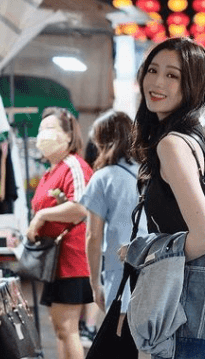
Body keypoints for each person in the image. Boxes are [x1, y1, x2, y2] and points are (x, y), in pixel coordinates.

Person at [131, 37, 205, 358]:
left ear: (193, 86)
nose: (157, 82)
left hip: (191, 307)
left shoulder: (172, 144)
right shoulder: (192, 136)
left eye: (173, 75)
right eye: (152, 70)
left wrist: (145, 254)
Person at [26, 107, 94, 359]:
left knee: (67, 328)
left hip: (72, 259)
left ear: (68, 135)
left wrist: (42, 216)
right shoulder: (51, 171)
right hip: (55, 260)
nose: (43, 134)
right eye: (41, 129)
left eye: (50, 129)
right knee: (60, 328)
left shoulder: (74, 165)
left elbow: (81, 206)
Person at [79, 110, 147, 333]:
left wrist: (94, 283)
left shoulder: (103, 177)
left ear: (102, 141)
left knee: (120, 337)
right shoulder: (149, 171)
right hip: (155, 264)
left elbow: (93, 236)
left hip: (121, 269)